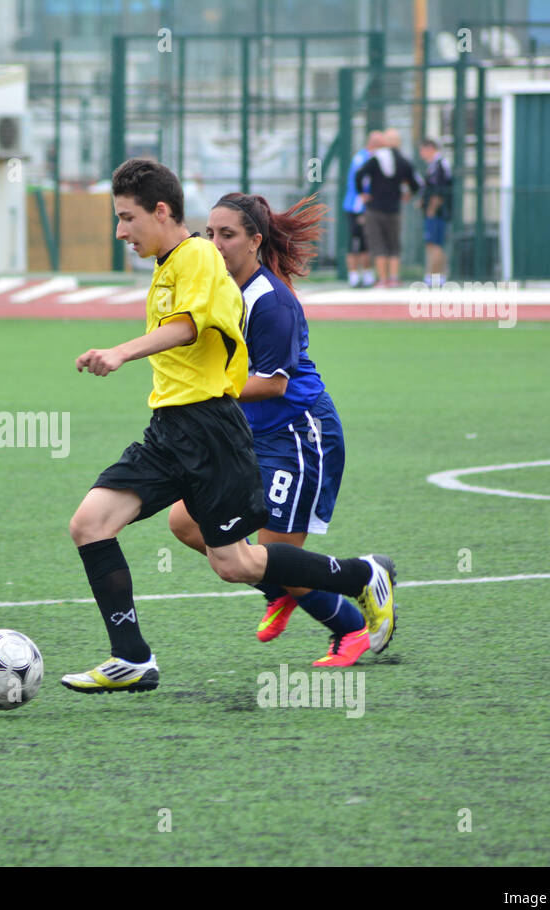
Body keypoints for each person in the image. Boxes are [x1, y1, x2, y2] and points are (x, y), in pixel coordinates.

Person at [60, 158, 396, 694]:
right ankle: (132, 657)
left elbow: (190, 326)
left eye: (127, 218)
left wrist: (121, 351)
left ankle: (359, 577)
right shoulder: (170, 263)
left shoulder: (194, 256)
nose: (120, 231)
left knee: (236, 563)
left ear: (161, 211)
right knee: (90, 525)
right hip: (169, 429)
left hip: (213, 431)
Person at [166, 192, 375, 666]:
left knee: (275, 555)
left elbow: (274, 384)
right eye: (210, 233)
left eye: (229, 235)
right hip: (247, 436)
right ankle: (276, 587)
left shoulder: (271, 301)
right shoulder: (217, 289)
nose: (215, 244)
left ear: (255, 241)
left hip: (298, 435)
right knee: (184, 521)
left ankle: (351, 624)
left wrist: (205, 384)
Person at [354, 129, 419, 288]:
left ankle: (382, 279)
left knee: (378, 244)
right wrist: (408, 194)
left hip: (375, 208)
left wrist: (362, 193)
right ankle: (394, 278)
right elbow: (416, 184)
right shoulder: (404, 161)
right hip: (394, 209)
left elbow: (359, 174)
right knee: (394, 245)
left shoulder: (376, 157)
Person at [343, 131, 383, 288]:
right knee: (355, 241)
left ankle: (367, 274)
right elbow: (360, 182)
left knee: (367, 241)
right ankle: (354, 275)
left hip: (367, 206)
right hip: (356, 206)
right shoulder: (362, 159)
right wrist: (362, 204)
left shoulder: (373, 159)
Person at [418, 138, 452, 287]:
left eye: (422, 150)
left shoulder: (439, 166)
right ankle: (438, 276)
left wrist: (431, 209)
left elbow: (439, 191)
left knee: (435, 243)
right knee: (433, 244)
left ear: (430, 148)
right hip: (435, 211)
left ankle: (434, 276)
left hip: (437, 213)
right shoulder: (434, 166)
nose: (421, 154)